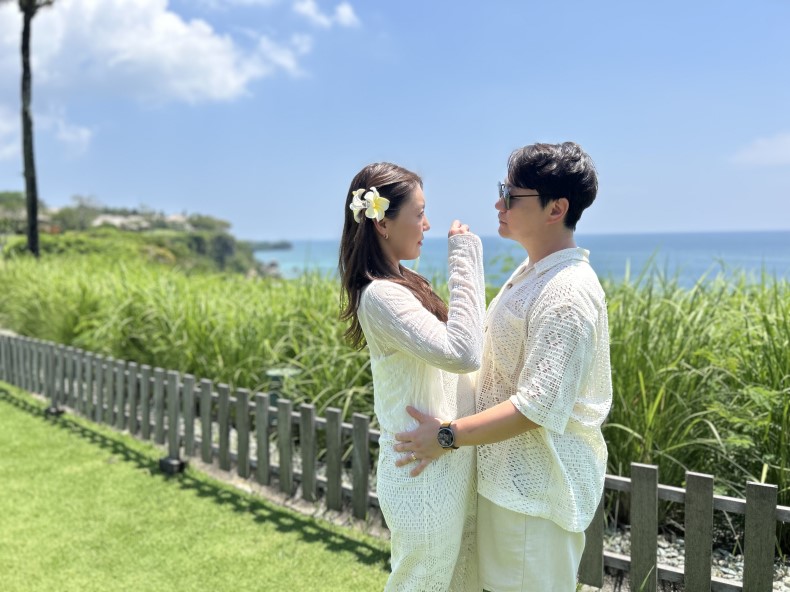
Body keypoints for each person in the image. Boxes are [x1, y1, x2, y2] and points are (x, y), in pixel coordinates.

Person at [394, 142, 613, 591]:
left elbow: (536, 407)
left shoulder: (567, 292)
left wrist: (446, 436)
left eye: (511, 195)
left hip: (535, 494)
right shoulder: (534, 273)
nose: (499, 204)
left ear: (557, 208)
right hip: (510, 486)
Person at [339, 162, 485, 591]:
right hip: (421, 476)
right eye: (419, 213)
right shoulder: (381, 296)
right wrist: (465, 258)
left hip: (442, 462)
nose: (427, 224)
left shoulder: (406, 282)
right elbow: (463, 352)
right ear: (382, 223)